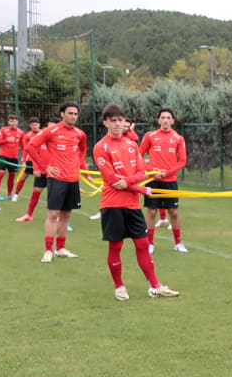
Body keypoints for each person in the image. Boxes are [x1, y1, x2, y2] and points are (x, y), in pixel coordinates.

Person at [94, 103, 180, 301]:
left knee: (142, 244)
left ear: (125, 123)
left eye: (120, 120)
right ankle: (119, 287)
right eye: (113, 120)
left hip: (132, 205)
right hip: (112, 204)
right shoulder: (100, 147)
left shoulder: (132, 145)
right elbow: (112, 180)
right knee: (115, 247)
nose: (117, 124)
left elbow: (141, 173)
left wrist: (132, 183)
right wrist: (141, 189)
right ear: (106, 122)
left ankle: (155, 286)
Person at [27, 103, 89, 263]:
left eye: (76, 114)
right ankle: (48, 250)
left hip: (73, 179)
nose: (74, 116)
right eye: (70, 113)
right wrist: (44, 166)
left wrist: (78, 163)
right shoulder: (51, 131)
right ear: (62, 114)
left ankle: (60, 248)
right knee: (53, 214)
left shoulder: (80, 134)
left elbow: (83, 150)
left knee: (66, 215)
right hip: (56, 179)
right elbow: (31, 147)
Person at [139, 107, 189, 254]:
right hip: (152, 180)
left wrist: (166, 173)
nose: (166, 120)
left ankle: (178, 243)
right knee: (152, 212)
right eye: (163, 117)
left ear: (173, 120)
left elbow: (182, 161)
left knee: (173, 212)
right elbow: (138, 156)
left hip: (170, 181)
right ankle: (149, 243)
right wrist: (151, 171)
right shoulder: (150, 136)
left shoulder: (178, 138)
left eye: (168, 117)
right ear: (159, 120)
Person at [0, 114, 25, 201]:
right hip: (3, 156)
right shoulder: (3, 130)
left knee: (11, 176)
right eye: (11, 121)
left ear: (17, 122)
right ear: (8, 122)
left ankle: (9, 194)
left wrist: (23, 157)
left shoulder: (21, 132)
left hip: (14, 158)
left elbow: (23, 146)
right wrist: (7, 140)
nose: (13, 123)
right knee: (0, 174)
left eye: (14, 121)